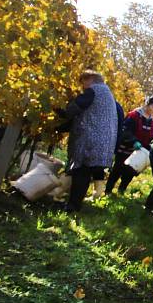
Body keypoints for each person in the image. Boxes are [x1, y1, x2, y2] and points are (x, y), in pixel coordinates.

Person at [57, 70, 118, 212]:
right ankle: (74, 204)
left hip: (91, 140)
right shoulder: (107, 93)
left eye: (83, 82)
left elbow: (75, 108)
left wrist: (59, 110)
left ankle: (72, 207)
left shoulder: (94, 91)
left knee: (81, 172)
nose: (82, 86)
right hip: (102, 142)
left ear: (90, 79)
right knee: (84, 172)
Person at [105, 96, 153, 195]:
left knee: (130, 171)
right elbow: (125, 131)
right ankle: (108, 190)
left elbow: (151, 136)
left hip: (139, 152)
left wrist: (151, 146)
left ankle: (121, 190)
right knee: (117, 169)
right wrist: (133, 141)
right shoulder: (134, 115)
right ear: (147, 105)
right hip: (126, 148)